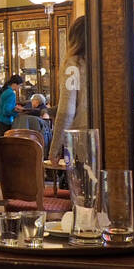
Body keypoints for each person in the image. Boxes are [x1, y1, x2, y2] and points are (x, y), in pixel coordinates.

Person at [48, 16, 88, 161]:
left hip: (82, 138)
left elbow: (67, 110)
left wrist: (55, 149)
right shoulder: (103, 60)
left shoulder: (73, 65)